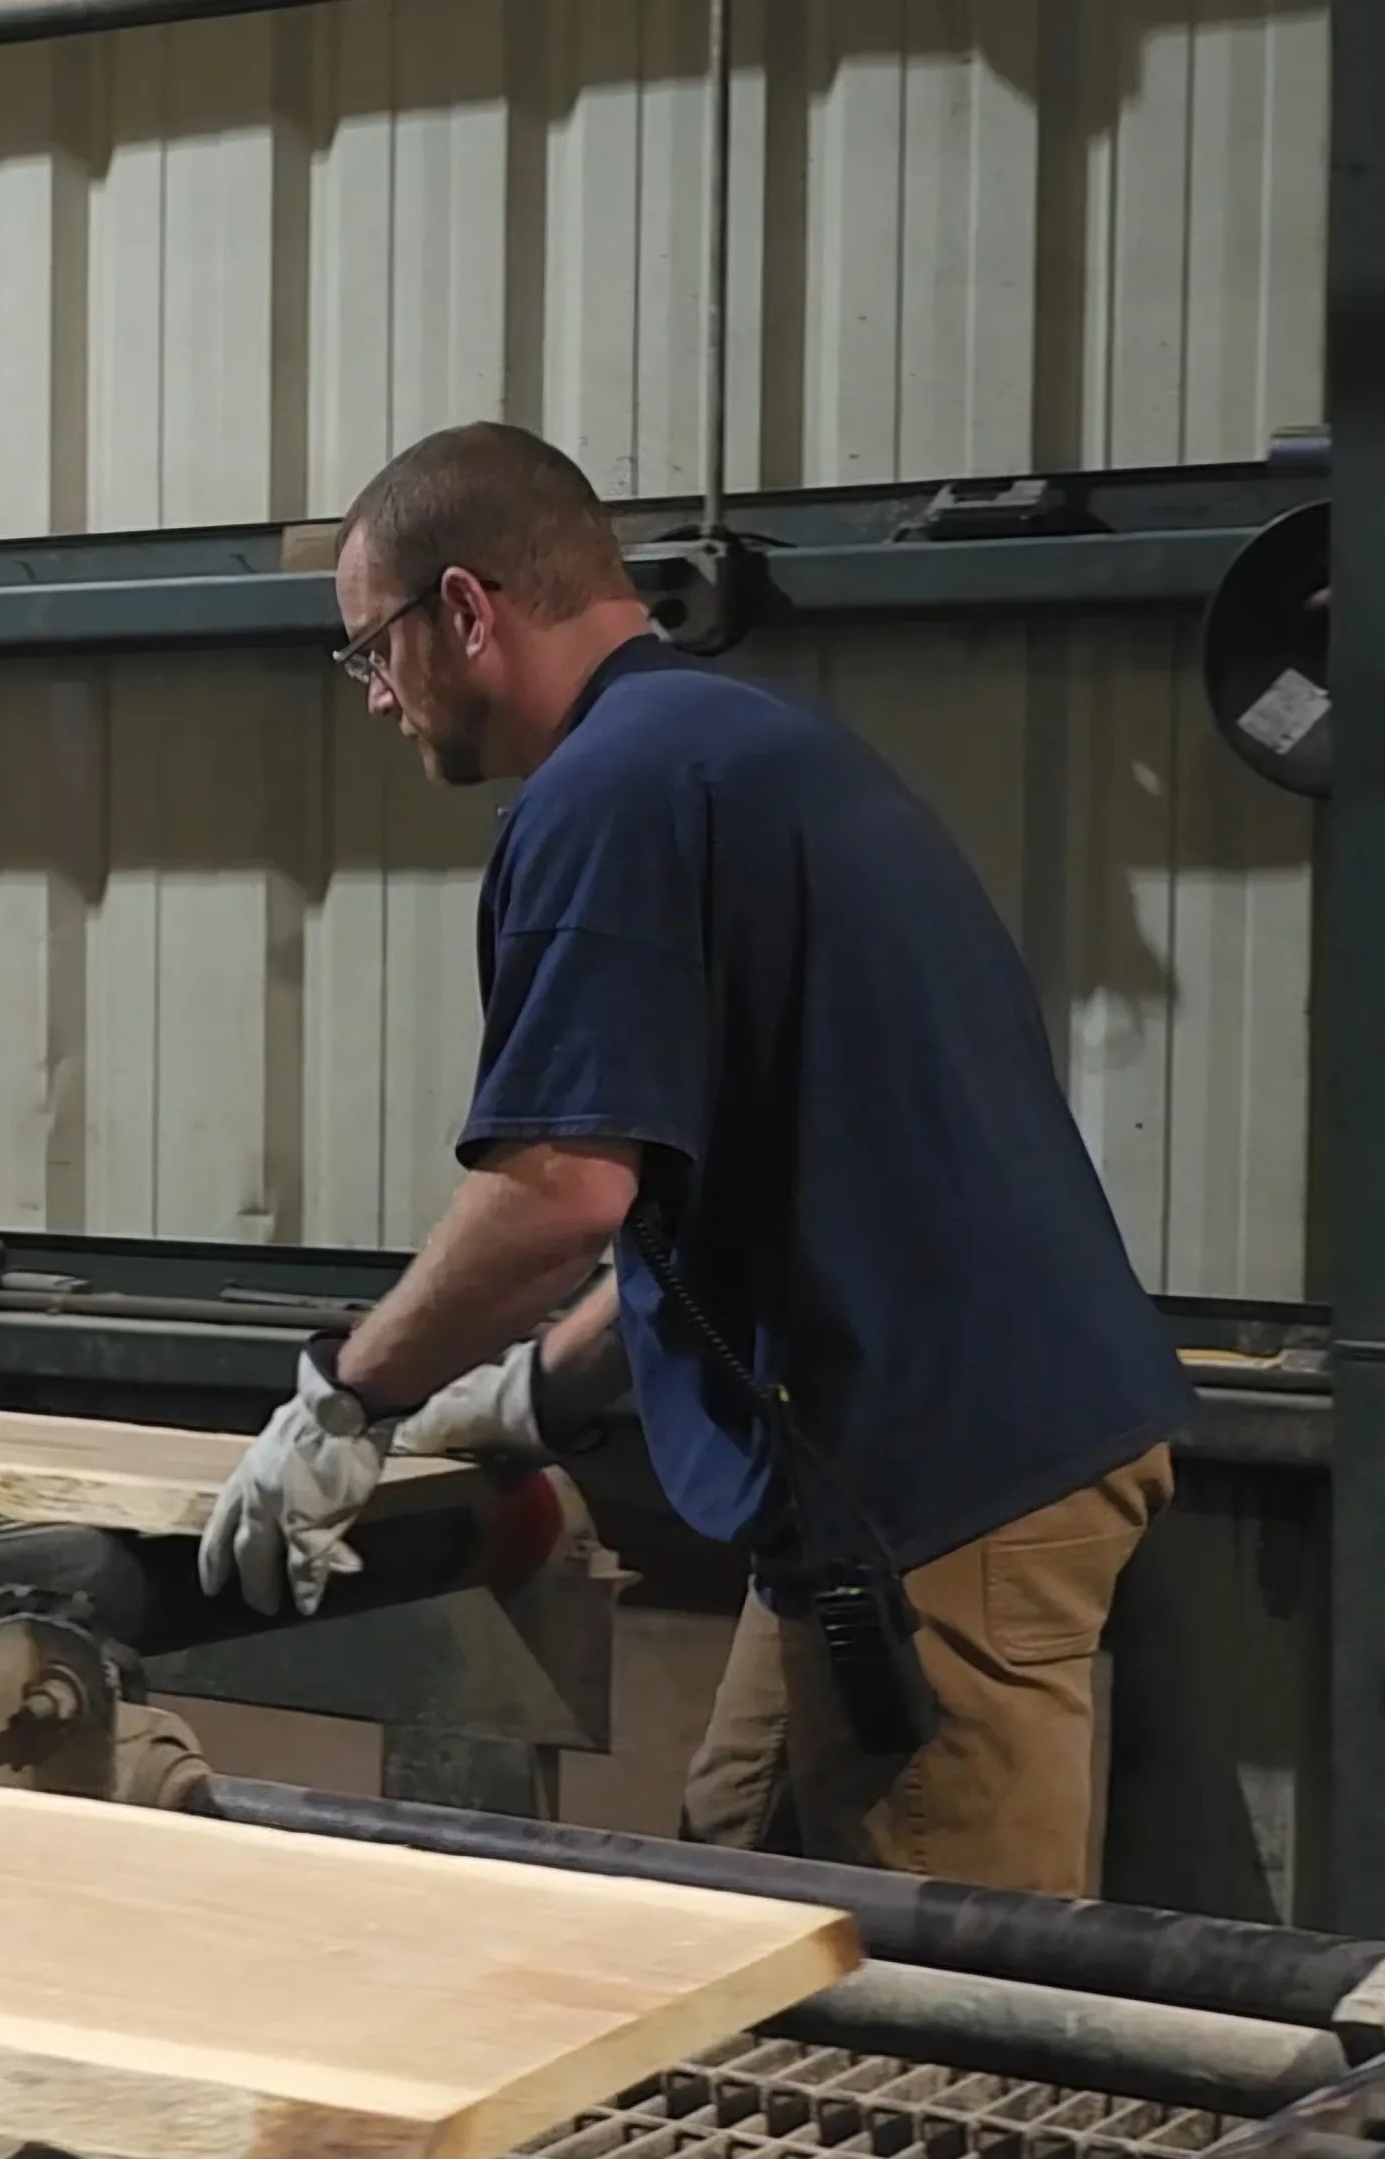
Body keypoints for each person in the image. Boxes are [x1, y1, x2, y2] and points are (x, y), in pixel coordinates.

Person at [197, 420, 1194, 1896]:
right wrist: (540, 1389)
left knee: (945, 1970)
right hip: (884, 1474)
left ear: (462, 610)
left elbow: (560, 1191)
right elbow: (734, 1190)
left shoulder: (611, 796)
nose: (379, 697)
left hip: (941, 1489)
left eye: (370, 652)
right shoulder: (718, 751)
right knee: (738, 1876)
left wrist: (348, 1402)